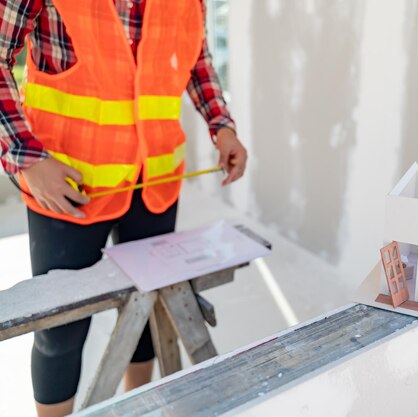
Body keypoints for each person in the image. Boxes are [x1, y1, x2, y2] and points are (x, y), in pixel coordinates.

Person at [0, 0, 247, 416]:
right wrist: (27, 157)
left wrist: (220, 123)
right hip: (67, 185)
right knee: (60, 332)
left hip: (155, 181)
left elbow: (196, 55)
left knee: (149, 313)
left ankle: (137, 409)